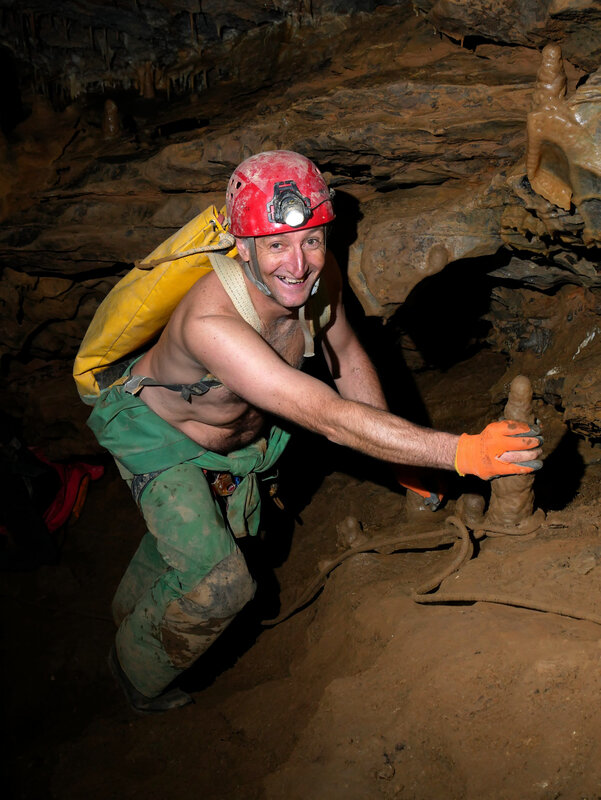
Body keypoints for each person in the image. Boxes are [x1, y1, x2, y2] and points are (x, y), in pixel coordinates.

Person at [85, 150, 542, 713]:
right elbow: (327, 416)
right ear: (242, 245)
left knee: (193, 545)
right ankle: (132, 675)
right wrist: (462, 452)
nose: (297, 264)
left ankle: (133, 610)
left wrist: (403, 461)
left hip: (240, 440)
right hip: (160, 435)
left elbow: (346, 356)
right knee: (223, 580)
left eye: (311, 240)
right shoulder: (211, 323)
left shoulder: (318, 280)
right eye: (277, 244)